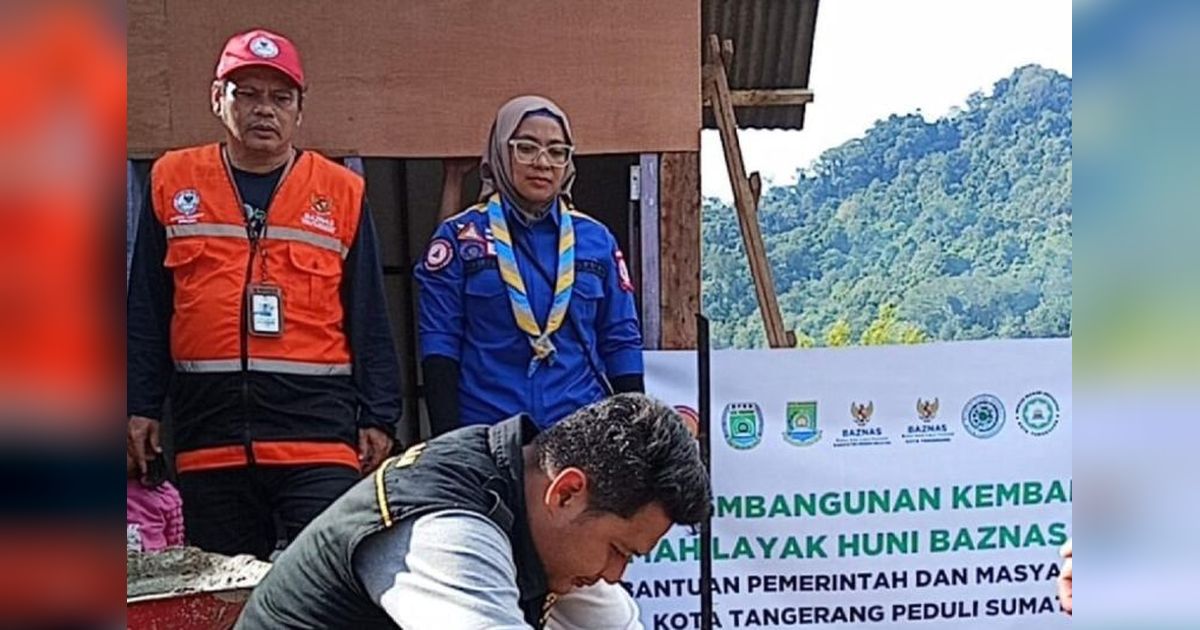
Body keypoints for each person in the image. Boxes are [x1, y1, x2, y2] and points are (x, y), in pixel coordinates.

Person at [126, 28, 401, 560]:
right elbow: (147, 309)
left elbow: (369, 311)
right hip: (211, 435)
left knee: (326, 578)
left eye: (280, 97)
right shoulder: (172, 179)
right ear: (217, 99)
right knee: (227, 588)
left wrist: (379, 414)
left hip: (316, 433)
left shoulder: (341, 190)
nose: (264, 110)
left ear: (300, 109)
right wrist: (139, 405)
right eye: (247, 94)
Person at [235, 393, 710, 629]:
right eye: (618, 550)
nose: (614, 574)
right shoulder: (449, 531)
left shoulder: (529, 496)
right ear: (567, 493)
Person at [414, 96, 644, 436]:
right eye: (526, 148)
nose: (542, 162)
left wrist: (633, 436)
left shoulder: (597, 239)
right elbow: (440, 343)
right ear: (500, 152)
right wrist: (448, 442)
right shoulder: (459, 237)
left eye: (557, 151)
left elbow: (620, 340)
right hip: (488, 433)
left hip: (580, 434)